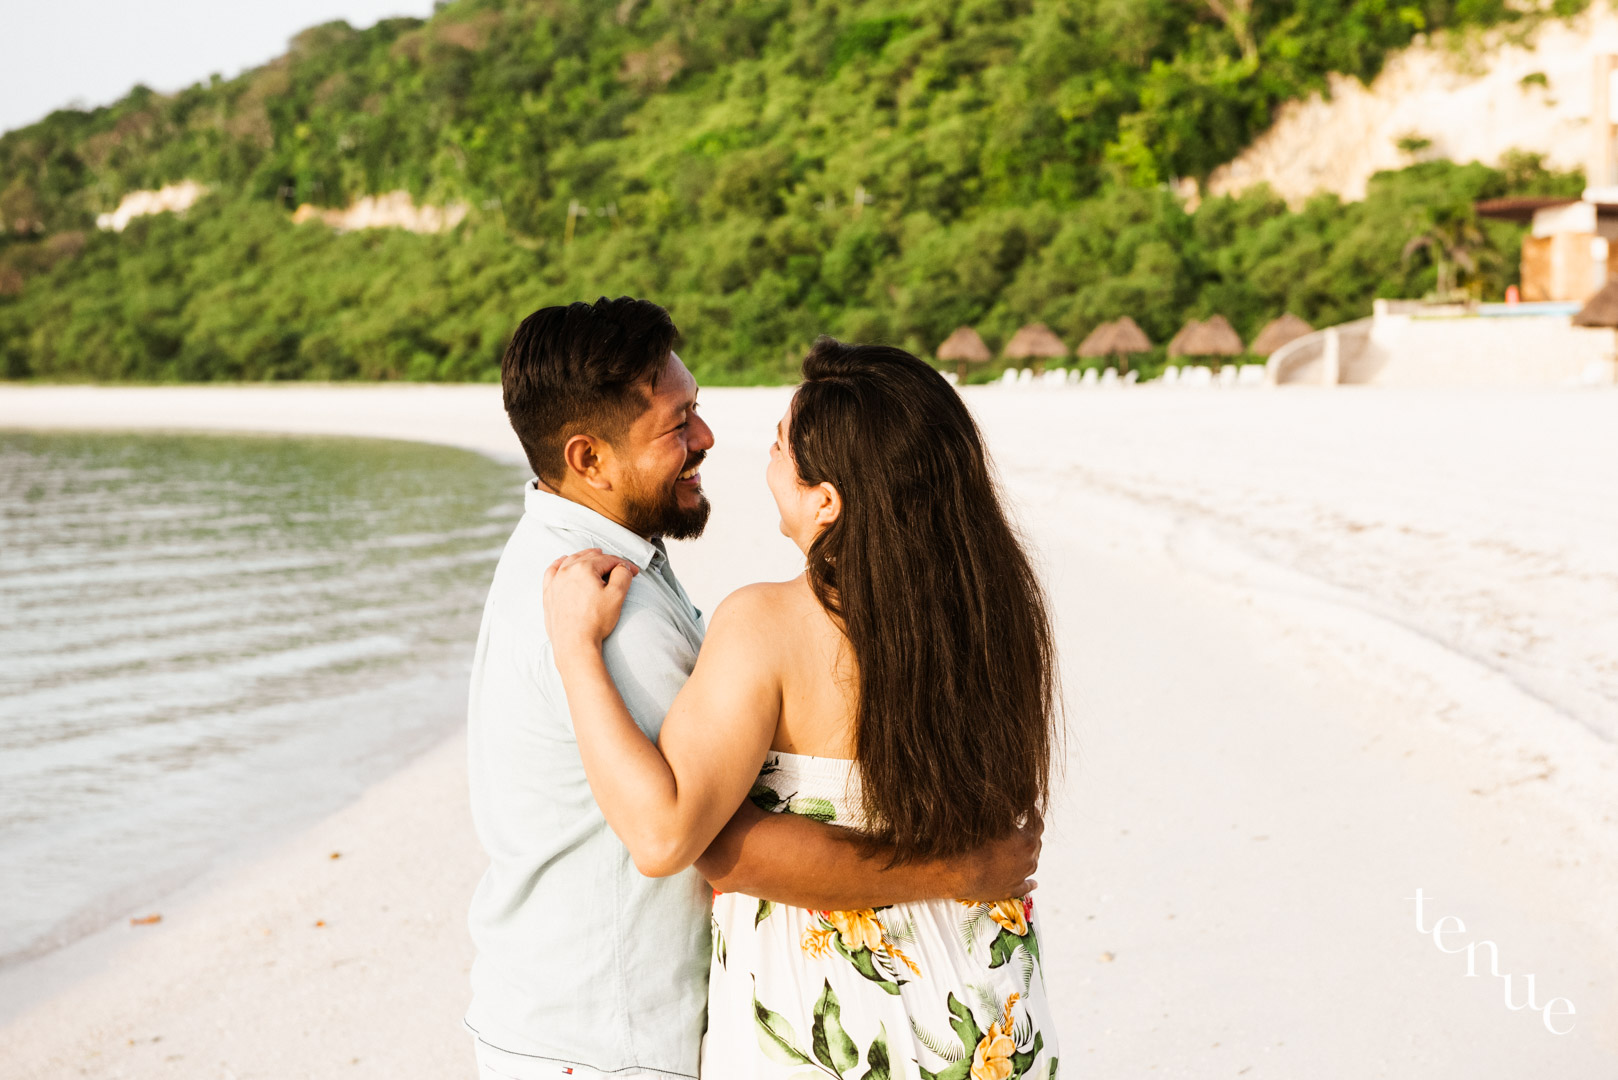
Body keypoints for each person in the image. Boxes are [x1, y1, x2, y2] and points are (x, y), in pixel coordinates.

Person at [465, 299, 1043, 1080]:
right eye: (678, 424)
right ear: (588, 458)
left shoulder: (634, 585)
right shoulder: (983, 611)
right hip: (615, 1037)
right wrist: (955, 873)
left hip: (774, 1018)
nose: (706, 437)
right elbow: (679, 839)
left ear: (828, 499)